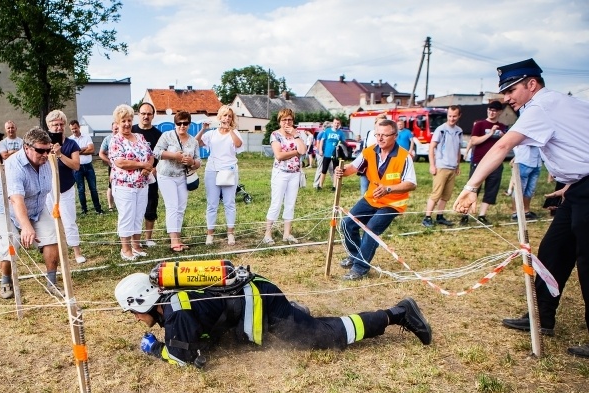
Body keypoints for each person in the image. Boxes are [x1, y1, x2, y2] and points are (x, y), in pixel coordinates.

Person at [453, 58, 589, 358]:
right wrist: (573, 183)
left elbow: (502, 147)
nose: (507, 98)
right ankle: (541, 318)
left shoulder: (541, 107)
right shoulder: (556, 104)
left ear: (532, 84)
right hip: (578, 190)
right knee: (553, 251)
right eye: (504, 92)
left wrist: (470, 187)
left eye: (511, 89)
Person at [114, 270, 432, 368]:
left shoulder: (175, 314)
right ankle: (294, 314)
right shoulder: (171, 299)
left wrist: (155, 349)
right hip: (253, 298)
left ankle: (398, 313)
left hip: (262, 303)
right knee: (302, 326)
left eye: (133, 312)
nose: (135, 318)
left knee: (327, 338)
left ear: (144, 303)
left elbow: (185, 358)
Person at [335, 119, 417, 281]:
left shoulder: (404, 157)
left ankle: (360, 268)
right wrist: (342, 171)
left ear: (395, 135)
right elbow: (353, 167)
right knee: (347, 223)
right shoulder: (369, 151)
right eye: (377, 134)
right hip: (372, 198)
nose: (380, 138)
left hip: (392, 203)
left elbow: (411, 183)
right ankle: (355, 255)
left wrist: (388, 188)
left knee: (371, 229)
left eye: (384, 135)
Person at [0, 127, 60, 299]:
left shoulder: (47, 161)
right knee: (11, 241)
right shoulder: (14, 165)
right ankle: (6, 280)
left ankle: (52, 282)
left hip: (36, 205)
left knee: (51, 237)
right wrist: (26, 227)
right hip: (5, 206)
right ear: (26, 148)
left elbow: (51, 187)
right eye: (40, 150)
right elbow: (16, 199)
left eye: (48, 150)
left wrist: (57, 206)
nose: (45, 154)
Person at [109, 104, 153, 260]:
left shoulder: (140, 137)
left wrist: (148, 168)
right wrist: (142, 165)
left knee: (138, 214)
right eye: (123, 121)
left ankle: (136, 245)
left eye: (129, 120)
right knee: (127, 215)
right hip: (124, 185)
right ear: (117, 123)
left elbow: (150, 154)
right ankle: (125, 249)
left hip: (142, 184)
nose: (127, 124)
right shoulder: (115, 140)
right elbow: (120, 162)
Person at [153, 111, 201, 252]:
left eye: (185, 123)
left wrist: (192, 161)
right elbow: (156, 152)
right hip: (166, 175)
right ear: (175, 124)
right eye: (179, 123)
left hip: (182, 177)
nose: (182, 126)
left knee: (181, 208)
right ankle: (174, 241)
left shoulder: (193, 141)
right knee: (172, 206)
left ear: (189, 124)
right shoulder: (167, 136)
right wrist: (174, 155)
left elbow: (199, 161)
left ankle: (178, 238)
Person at [196, 105, 243, 246]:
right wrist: (203, 128)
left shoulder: (235, 132)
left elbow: (238, 144)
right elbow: (197, 142)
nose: (227, 118)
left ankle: (230, 233)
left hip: (229, 170)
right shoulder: (211, 134)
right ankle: (210, 234)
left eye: (229, 116)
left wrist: (231, 131)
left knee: (229, 203)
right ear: (219, 117)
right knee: (212, 203)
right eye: (224, 115)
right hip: (212, 170)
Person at [46, 110, 86, 264]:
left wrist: (60, 154)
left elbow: (76, 165)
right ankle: (58, 253)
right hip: (48, 189)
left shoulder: (71, 144)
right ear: (49, 126)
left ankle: (76, 252)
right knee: (52, 222)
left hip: (66, 188)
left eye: (61, 124)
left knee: (69, 221)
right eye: (55, 124)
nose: (58, 127)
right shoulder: (44, 144)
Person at [462, 100, 508, 225]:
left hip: (496, 163)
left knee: (491, 189)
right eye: (489, 110)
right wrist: (491, 133)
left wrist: (503, 136)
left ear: (499, 112)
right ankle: (465, 214)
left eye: (494, 110)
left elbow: (506, 144)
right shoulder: (480, 125)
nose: (491, 112)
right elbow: (474, 141)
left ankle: (482, 215)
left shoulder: (502, 126)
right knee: (473, 187)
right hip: (479, 161)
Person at [263, 108, 305, 245]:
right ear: (279, 121)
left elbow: (303, 150)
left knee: (290, 203)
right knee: (276, 203)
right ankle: (267, 234)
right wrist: (295, 152)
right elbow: (279, 155)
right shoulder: (275, 135)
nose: (287, 122)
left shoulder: (297, 134)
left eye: (290, 119)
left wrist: (296, 136)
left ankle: (287, 234)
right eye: (284, 120)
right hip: (280, 173)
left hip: (295, 173)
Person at [422, 106, 462, 228]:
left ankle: (440, 216)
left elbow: (458, 149)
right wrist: (432, 165)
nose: (452, 118)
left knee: (446, 195)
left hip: (452, 167)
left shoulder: (459, 130)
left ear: (459, 116)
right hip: (441, 166)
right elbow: (431, 147)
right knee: (436, 194)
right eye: (450, 116)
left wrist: (457, 165)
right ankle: (427, 217)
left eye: (454, 116)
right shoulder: (441, 129)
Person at [132, 102, 162, 247]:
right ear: (138, 114)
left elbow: (159, 156)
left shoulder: (158, 135)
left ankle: (148, 238)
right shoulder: (131, 130)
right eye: (143, 113)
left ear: (153, 116)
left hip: (151, 176)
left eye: (149, 114)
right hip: (132, 177)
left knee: (151, 206)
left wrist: (153, 169)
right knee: (134, 208)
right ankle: (134, 239)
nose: (146, 116)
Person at [68, 120, 103, 215]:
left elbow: (91, 150)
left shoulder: (87, 137)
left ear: (79, 127)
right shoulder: (70, 140)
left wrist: (77, 151)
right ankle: (84, 209)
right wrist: (83, 148)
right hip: (77, 168)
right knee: (81, 189)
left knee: (93, 188)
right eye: (72, 129)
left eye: (75, 128)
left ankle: (98, 208)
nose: (74, 130)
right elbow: (70, 154)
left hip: (88, 166)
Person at [509, 143, 541, 220]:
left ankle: (526, 211)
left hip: (537, 162)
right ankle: (515, 213)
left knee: (530, 189)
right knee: (519, 188)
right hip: (524, 162)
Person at [313, 118, 347, 190]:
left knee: (335, 170)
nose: (336, 125)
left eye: (338, 123)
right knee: (324, 170)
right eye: (335, 123)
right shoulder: (327, 131)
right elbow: (322, 140)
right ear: (332, 123)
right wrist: (320, 150)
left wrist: (339, 145)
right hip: (327, 153)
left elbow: (343, 142)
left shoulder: (340, 133)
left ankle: (334, 186)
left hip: (335, 154)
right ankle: (320, 185)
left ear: (339, 124)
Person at [360, 113, 388, 196]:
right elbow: (364, 148)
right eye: (379, 123)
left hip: (380, 166)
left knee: (377, 191)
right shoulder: (369, 133)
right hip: (367, 164)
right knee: (364, 190)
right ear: (375, 124)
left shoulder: (387, 136)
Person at [98, 122, 119, 212]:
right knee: (111, 185)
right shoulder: (108, 139)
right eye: (115, 129)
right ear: (112, 129)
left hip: (125, 166)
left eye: (118, 128)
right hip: (113, 166)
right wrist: (109, 162)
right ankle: (111, 206)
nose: (117, 130)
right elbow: (101, 153)